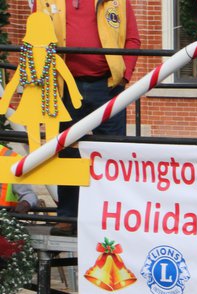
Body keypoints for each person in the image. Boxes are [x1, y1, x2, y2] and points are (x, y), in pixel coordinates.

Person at [48, 0, 140, 237]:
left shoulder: (117, 1)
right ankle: (68, 217)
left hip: (107, 86)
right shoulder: (48, 1)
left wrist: (124, 75)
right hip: (65, 87)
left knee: (112, 153)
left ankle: (113, 217)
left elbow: (132, 39)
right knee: (67, 151)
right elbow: (35, 38)